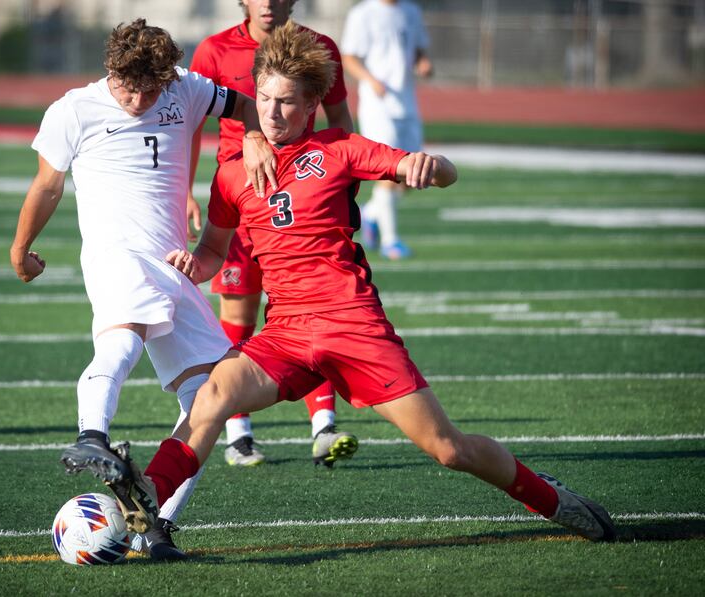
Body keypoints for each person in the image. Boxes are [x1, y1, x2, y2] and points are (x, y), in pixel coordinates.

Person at [97, 21, 616, 548]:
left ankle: (549, 497)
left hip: (353, 326)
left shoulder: (340, 149)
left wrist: (430, 166)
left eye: (288, 102)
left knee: (448, 449)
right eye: (265, 99)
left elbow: (441, 173)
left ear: (314, 103)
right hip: (287, 334)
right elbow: (212, 251)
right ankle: (147, 496)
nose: (273, 113)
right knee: (212, 396)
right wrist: (193, 266)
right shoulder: (233, 174)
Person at [9, 18, 278, 562]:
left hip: (173, 266)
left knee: (210, 399)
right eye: (130, 88)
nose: (140, 99)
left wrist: (252, 134)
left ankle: (154, 527)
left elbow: (245, 103)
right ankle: (90, 434)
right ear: (111, 70)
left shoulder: (186, 87)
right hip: (116, 255)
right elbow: (47, 185)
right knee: (124, 336)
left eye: (151, 90)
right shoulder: (73, 110)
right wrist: (21, 248)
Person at [188, 0, 358, 467]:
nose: (267, 2)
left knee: (314, 311)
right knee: (239, 316)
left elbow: (341, 121)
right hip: (241, 203)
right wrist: (186, 192)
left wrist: (346, 184)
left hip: (304, 198)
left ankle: (324, 425)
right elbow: (191, 127)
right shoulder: (214, 50)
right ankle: (238, 433)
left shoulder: (320, 48)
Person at [340, 0, 433, 260]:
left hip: (407, 104)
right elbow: (349, 57)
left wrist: (423, 63)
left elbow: (418, 49)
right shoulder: (364, 13)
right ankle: (391, 241)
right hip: (378, 107)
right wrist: (371, 80)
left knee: (413, 176)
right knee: (388, 173)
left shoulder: (411, 11)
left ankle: (370, 214)